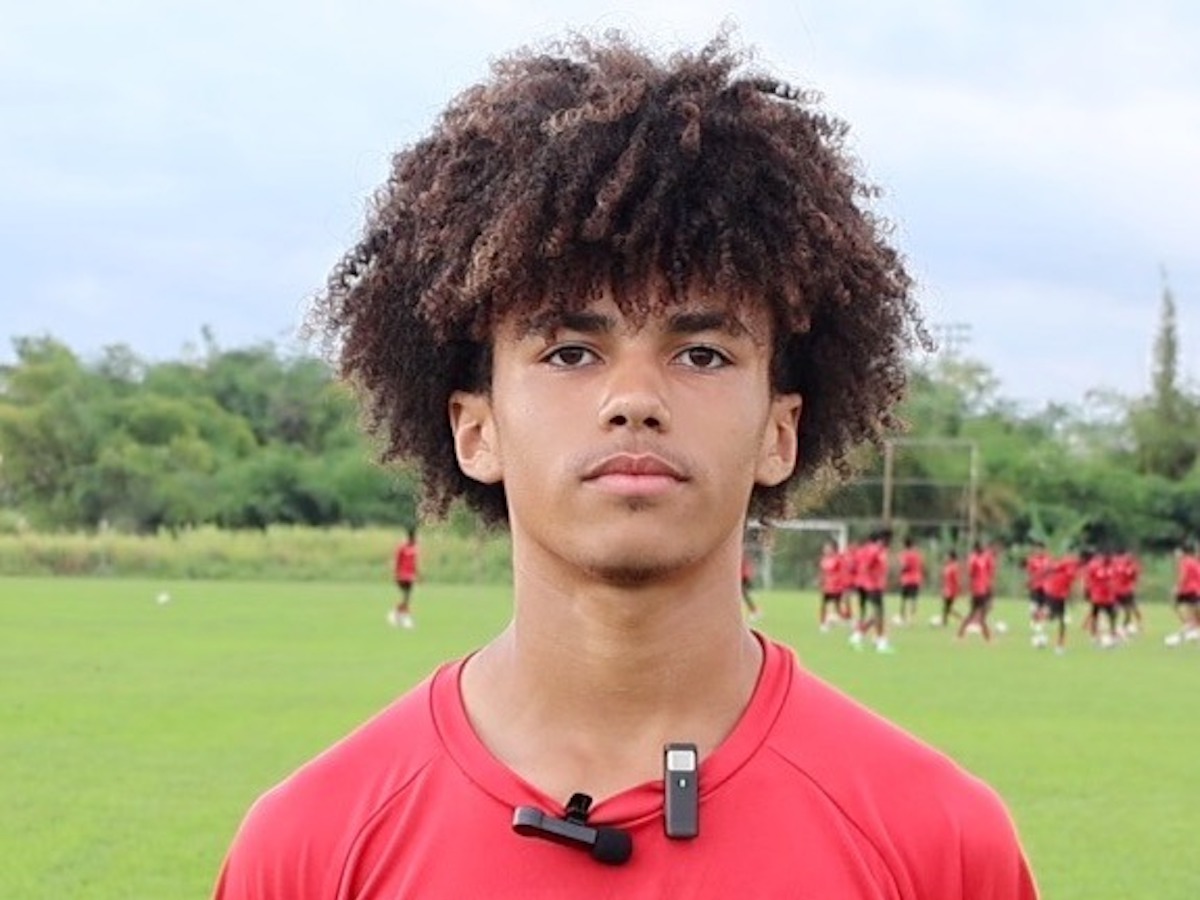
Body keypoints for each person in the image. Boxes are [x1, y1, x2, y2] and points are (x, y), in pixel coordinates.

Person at [212, 33, 1037, 898]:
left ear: (779, 432)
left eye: (704, 354)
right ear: (475, 429)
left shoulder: (938, 844)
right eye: (571, 352)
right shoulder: (310, 848)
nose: (634, 398)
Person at [958, 540, 995, 642]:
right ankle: (988, 638)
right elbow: (970, 574)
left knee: (978, 613)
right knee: (978, 614)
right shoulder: (974, 559)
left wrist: (989, 586)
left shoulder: (984, 557)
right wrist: (967, 587)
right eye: (981, 547)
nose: (982, 549)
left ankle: (960, 635)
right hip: (978, 590)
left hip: (983, 589)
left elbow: (990, 572)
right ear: (977, 548)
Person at [388, 527, 420, 628]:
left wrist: (418, 574)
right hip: (402, 576)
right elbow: (396, 561)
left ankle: (397, 615)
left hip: (410, 577)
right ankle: (404, 618)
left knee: (406, 598)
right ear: (411, 537)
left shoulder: (415, 548)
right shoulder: (402, 547)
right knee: (406, 597)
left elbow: (414, 563)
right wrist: (395, 574)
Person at [897, 536, 925, 625]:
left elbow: (904, 566)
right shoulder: (917, 554)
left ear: (904, 545)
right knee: (913, 599)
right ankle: (911, 619)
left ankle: (902, 618)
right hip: (916, 579)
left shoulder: (904, 554)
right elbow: (920, 565)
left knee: (904, 599)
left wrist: (901, 570)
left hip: (906, 579)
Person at [937, 548, 963, 627]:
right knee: (947, 608)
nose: (946, 557)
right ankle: (945, 622)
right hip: (947, 589)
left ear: (951, 557)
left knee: (947, 608)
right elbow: (944, 578)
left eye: (947, 556)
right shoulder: (948, 566)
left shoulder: (954, 566)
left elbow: (957, 579)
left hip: (951, 590)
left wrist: (958, 590)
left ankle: (962, 619)